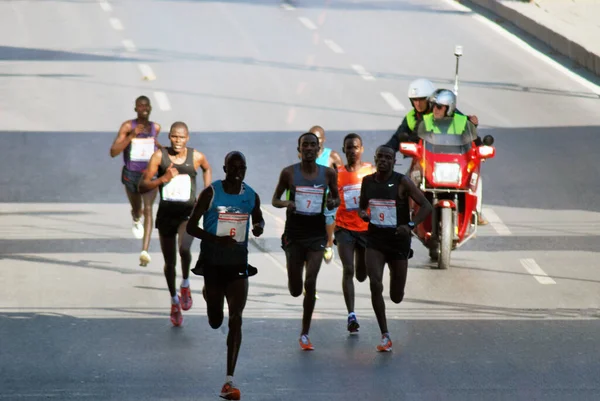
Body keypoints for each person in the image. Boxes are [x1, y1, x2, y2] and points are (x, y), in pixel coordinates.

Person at [186, 151, 264, 400]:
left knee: (236, 318)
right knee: (215, 321)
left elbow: (258, 219)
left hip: (238, 263)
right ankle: (210, 294)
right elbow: (191, 226)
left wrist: (259, 226)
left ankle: (229, 379)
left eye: (242, 167)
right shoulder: (211, 192)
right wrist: (216, 239)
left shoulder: (251, 195)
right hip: (213, 262)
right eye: (233, 167)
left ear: (246, 170)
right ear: (224, 168)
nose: (237, 172)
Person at [358, 145, 433, 352]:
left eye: (388, 158)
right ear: (375, 159)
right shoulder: (367, 182)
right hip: (375, 240)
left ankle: (396, 288)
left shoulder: (403, 182)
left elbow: (426, 206)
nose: (383, 160)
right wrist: (363, 214)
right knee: (375, 284)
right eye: (380, 157)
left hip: (398, 241)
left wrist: (409, 225)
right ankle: (385, 334)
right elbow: (362, 207)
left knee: (396, 296)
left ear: (394, 161)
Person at [139, 121, 212, 326]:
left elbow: (207, 168)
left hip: (187, 213)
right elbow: (143, 184)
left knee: (185, 249)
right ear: (169, 137)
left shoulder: (196, 156)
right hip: (166, 215)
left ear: (187, 138)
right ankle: (173, 300)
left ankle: (186, 284)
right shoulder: (159, 156)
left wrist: (205, 192)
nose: (178, 141)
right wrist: (163, 178)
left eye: (181, 137)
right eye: (174, 137)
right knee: (169, 262)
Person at [272, 132, 340, 350]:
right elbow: (275, 199)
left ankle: (304, 333)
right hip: (294, 235)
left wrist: (331, 202)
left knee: (310, 282)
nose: (309, 148)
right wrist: (287, 205)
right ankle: (292, 269)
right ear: (299, 149)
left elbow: (336, 197)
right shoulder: (289, 173)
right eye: (305, 145)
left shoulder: (328, 174)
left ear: (319, 149)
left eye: (313, 145)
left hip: (317, 235)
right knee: (295, 288)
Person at [420, 89, 488, 225]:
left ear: (449, 107)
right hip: (432, 164)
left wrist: (480, 149)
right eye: (433, 106)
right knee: (412, 176)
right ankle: (409, 214)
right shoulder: (426, 121)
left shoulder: (462, 122)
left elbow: (474, 141)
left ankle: (476, 213)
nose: (435, 110)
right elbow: (416, 140)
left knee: (476, 178)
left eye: (439, 107)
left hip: (456, 165)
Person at [110, 95, 161, 267]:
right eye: (140, 106)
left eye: (147, 105)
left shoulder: (156, 128)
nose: (144, 108)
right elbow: (114, 151)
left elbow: (156, 146)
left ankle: (144, 251)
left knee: (148, 209)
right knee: (137, 208)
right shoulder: (127, 126)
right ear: (135, 109)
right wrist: (132, 135)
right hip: (131, 174)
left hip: (149, 175)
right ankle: (135, 217)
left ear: (151, 108)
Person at [334, 133, 376, 334]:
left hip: (366, 231)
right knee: (348, 270)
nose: (352, 151)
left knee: (361, 274)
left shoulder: (370, 171)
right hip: (344, 229)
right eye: (348, 147)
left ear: (362, 149)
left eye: (356, 147)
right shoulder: (337, 174)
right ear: (344, 150)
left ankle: (362, 267)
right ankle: (351, 315)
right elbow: (331, 199)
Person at [384, 79, 479, 151]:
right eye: (414, 100)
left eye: (421, 99)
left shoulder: (452, 115)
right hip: (426, 162)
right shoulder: (414, 118)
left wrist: (472, 126)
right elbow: (399, 139)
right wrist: (386, 149)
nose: (418, 104)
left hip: (455, 160)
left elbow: (468, 132)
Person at [308, 125, 343, 264]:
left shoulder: (332, 156)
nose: (316, 141)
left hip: (328, 197)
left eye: (319, 138)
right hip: (311, 196)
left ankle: (328, 244)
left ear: (324, 139)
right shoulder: (305, 154)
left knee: (329, 220)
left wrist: (336, 193)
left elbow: (342, 175)